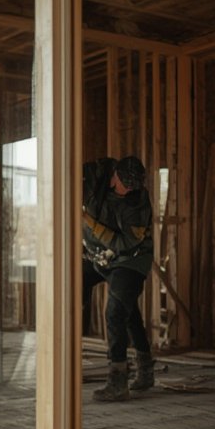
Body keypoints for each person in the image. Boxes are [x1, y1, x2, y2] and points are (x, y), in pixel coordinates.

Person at [82, 155, 154, 402]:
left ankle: (118, 380)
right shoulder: (98, 174)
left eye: (134, 186)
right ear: (114, 177)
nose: (130, 190)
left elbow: (124, 244)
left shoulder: (138, 202)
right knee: (71, 288)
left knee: (116, 311)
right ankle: (146, 369)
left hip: (130, 260)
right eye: (126, 185)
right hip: (99, 257)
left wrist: (88, 222)